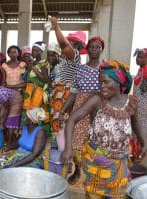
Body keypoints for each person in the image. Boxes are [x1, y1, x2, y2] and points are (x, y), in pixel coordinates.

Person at [61, 60, 146, 198]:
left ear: (119, 82)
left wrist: (143, 142)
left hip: (119, 162)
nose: (102, 86)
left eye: (106, 82)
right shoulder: (97, 100)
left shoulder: (131, 102)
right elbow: (72, 119)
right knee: (94, 195)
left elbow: (136, 124)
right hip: (96, 161)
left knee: (117, 194)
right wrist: (68, 148)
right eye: (100, 82)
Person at [59, 36, 104, 184]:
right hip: (80, 107)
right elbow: (73, 92)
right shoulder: (80, 69)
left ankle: (95, 172)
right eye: (92, 47)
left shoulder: (106, 68)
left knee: (96, 140)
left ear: (102, 49)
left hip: (98, 108)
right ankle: (78, 170)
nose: (94, 50)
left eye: (98, 47)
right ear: (87, 50)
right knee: (77, 140)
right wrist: (63, 110)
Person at [49, 16, 86, 136]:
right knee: (58, 125)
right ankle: (60, 149)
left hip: (65, 96)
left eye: (69, 41)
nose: (66, 41)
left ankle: (63, 150)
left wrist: (56, 27)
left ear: (75, 45)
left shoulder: (74, 55)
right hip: (59, 94)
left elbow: (64, 46)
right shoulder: (65, 59)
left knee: (61, 124)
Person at [0, 45, 26, 151]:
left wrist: (12, 87)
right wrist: (1, 95)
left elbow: (24, 82)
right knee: (4, 117)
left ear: (18, 53)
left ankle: (9, 144)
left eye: (15, 52)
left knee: (12, 118)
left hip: (18, 94)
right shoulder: (4, 65)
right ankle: (8, 140)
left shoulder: (23, 65)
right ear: (8, 54)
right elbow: (3, 82)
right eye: (10, 52)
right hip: (7, 94)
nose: (12, 54)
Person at [23, 41, 52, 135]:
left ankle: (36, 137)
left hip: (37, 91)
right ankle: (27, 137)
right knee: (27, 114)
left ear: (41, 52)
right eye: (33, 50)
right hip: (28, 91)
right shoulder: (32, 62)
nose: (33, 52)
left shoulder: (45, 63)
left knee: (36, 114)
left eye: (36, 50)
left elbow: (45, 79)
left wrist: (34, 68)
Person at [133, 48, 147, 151]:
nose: (138, 59)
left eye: (141, 57)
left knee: (140, 127)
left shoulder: (146, 70)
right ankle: (136, 149)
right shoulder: (140, 70)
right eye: (138, 57)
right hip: (138, 105)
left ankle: (140, 149)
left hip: (143, 106)